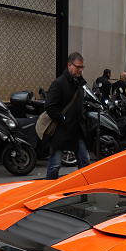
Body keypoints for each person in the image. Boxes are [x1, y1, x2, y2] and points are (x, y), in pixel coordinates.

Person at [44, 51, 90, 180]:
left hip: (76, 130)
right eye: (78, 67)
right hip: (61, 130)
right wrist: (63, 119)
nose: (80, 70)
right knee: (55, 165)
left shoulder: (80, 84)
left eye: (82, 67)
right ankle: (48, 193)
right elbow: (49, 106)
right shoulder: (59, 83)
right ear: (69, 65)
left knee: (85, 161)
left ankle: (85, 190)